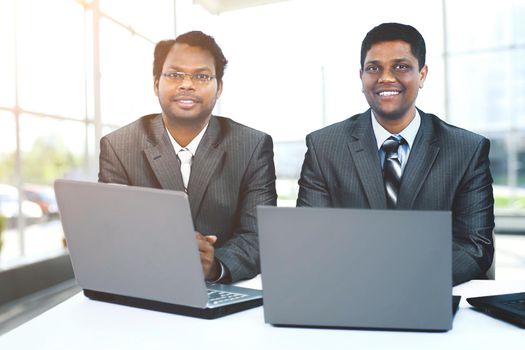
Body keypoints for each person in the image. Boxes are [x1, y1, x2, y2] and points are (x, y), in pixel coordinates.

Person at [297, 22, 494, 286]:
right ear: (361, 76)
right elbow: (311, 238)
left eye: (401, 67)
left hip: (430, 291)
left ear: (422, 75)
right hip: (350, 290)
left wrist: (407, 278)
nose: (386, 78)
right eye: (373, 68)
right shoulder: (324, 147)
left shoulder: (467, 149)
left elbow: (474, 245)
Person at [99, 31, 277, 283]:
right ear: (155, 83)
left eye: (202, 76)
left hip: (221, 290)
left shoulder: (252, 146)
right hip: (145, 283)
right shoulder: (119, 146)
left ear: (219, 88)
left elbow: (258, 236)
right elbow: (112, 232)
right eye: (174, 74)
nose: (187, 84)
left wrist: (214, 266)